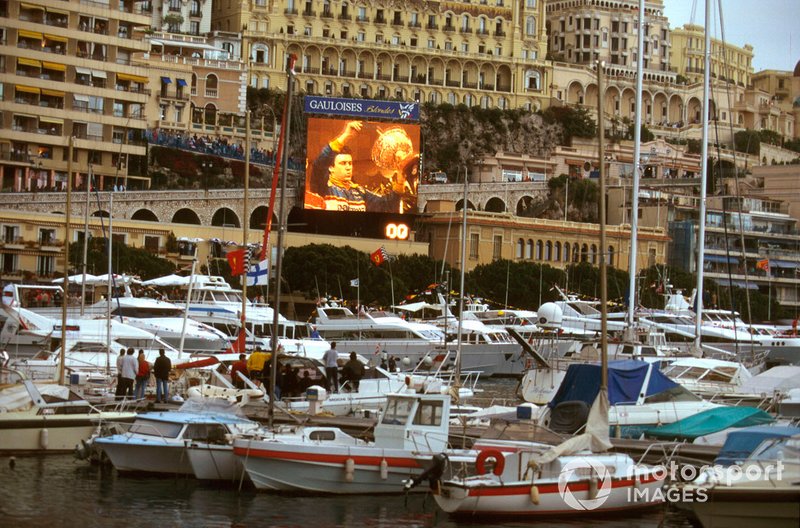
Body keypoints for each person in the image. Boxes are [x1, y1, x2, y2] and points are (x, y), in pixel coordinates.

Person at [305, 121, 410, 212]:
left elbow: (387, 206)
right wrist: (346, 136)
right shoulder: (323, 188)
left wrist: (400, 182)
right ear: (331, 168)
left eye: (350, 163)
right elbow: (319, 165)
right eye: (343, 163)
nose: (348, 167)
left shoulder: (360, 192)